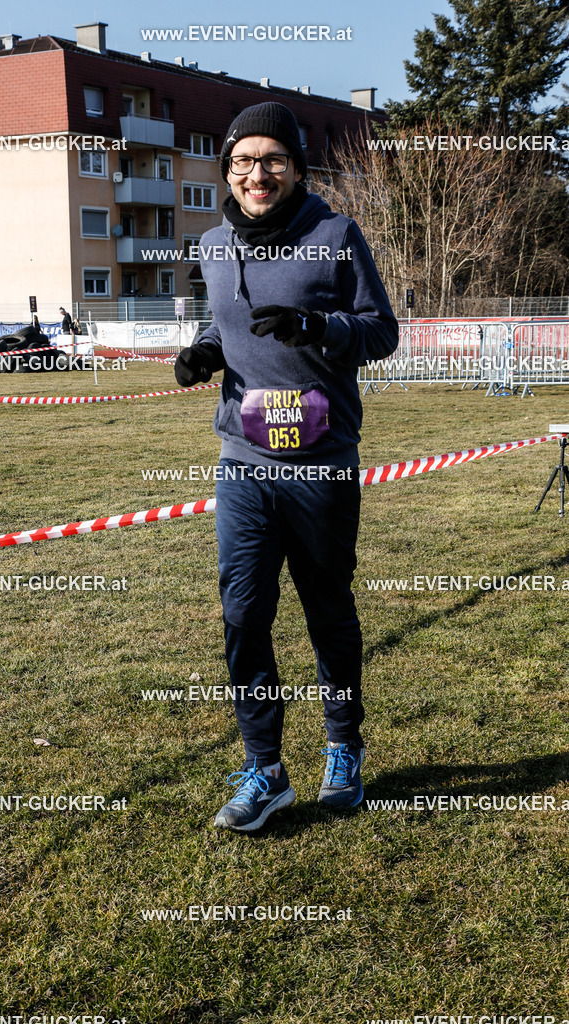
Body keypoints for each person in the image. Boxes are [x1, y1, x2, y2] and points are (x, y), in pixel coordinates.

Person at [174, 102, 399, 832]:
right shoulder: (211, 244)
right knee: (244, 612)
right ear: (227, 174)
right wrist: (207, 348)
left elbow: (380, 332)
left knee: (326, 607)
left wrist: (318, 326)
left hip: (320, 461)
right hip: (242, 460)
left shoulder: (333, 235)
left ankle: (342, 747)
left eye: (271, 159)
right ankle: (263, 768)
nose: (255, 173)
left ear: (297, 168)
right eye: (241, 162)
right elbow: (228, 320)